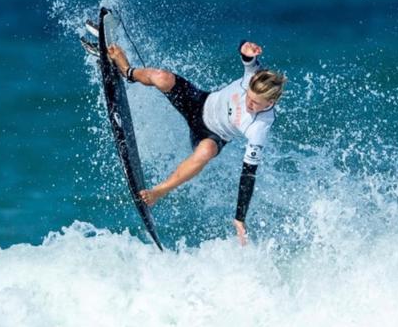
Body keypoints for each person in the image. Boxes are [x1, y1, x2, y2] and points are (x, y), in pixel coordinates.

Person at [107, 40, 286, 245]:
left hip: (211, 135)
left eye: (255, 103)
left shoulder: (260, 127)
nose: (248, 103)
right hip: (199, 102)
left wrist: (240, 218)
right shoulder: (253, 77)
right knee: (162, 77)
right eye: (248, 97)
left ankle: (159, 191)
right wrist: (245, 47)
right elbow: (246, 54)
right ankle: (127, 71)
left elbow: (248, 174)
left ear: (270, 103)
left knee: (207, 150)